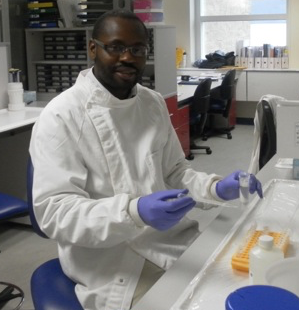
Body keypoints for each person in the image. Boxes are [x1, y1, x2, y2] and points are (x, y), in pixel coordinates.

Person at [29, 9, 263, 310]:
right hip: (115, 261)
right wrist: (132, 212)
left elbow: (175, 172)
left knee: (247, 284)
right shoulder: (62, 115)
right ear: (92, 49)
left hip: (173, 240)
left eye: (137, 49)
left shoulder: (150, 102)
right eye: (115, 47)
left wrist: (215, 188)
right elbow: (54, 212)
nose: (127, 58)